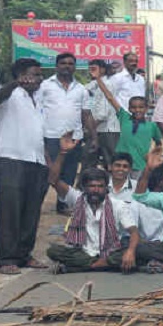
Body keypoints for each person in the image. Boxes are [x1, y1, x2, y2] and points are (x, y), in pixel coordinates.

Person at [46, 133, 140, 274]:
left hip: (111, 250)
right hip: (84, 252)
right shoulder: (78, 198)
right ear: (84, 187)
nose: (96, 190)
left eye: (100, 186)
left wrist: (130, 252)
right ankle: (102, 265)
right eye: (92, 186)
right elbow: (53, 180)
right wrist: (62, 153)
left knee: (135, 251)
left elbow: (134, 232)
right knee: (53, 251)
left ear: (105, 188)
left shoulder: (118, 205)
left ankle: (78, 267)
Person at [0, 59, 49, 274]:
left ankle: (24, 254)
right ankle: (6, 258)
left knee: (31, 210)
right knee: (10, 211)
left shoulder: (36, 98)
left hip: (36, 161)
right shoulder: (9, 94)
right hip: (10, 159)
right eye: (35, 74)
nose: (40, 78)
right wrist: (14, 84)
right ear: (22, 76)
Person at [37, 53, 97, 213]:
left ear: (75, 67)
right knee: (45, 173)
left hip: (74, 140)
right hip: (50, 137)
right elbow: (35, 110)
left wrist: (94, 138)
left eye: (71, 63)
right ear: (57, 66)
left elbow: (86, 114)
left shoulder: (81, 89)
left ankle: (62, 205)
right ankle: (35, 204)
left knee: (69, 174)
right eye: (63, 63)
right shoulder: (44, 85)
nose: (67, 66)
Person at [89, 64, 162, 178]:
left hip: (140, 166)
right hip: (121, 166)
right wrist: (98, 78)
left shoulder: (152, 126)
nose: (137, 110)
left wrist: (153, 156)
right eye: (134, 107)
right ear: (129, 109)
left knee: (137, 193)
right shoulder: (124, 117)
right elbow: (110, 97)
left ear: (146, 108)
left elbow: (158, 144)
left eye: (141, 107)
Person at [85, 59, 121, 170]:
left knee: (111, 164)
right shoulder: (89, 85)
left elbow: (103, 114)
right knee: (89, 163)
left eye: (94, 69)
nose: (91, 72)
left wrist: (88, 128)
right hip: (94, 129)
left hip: (108, 130)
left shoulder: (107, 84)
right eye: (90, 69)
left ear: (103, 70)